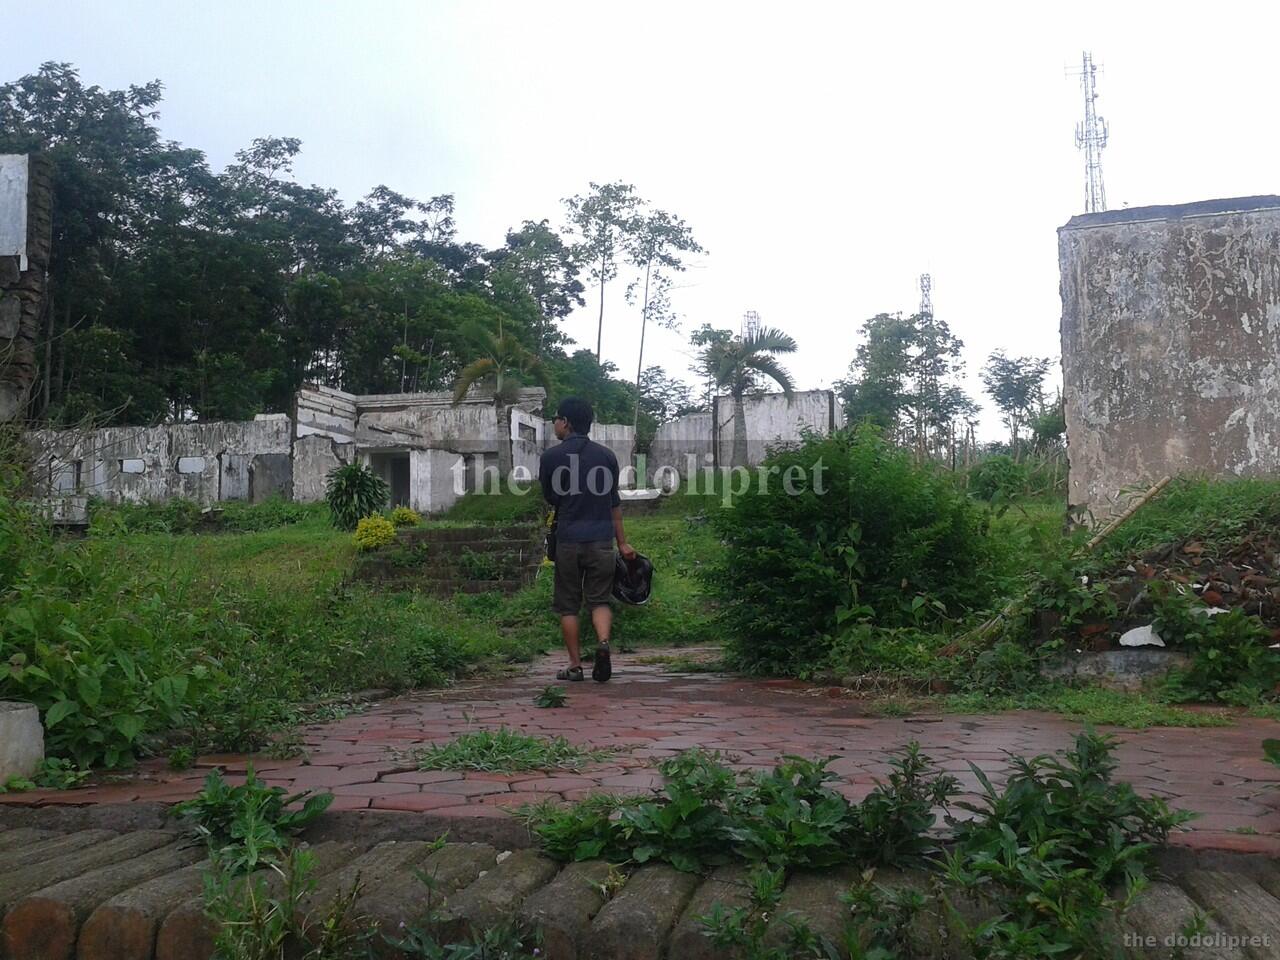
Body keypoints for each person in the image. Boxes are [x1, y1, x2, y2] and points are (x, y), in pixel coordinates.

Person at [539, 396, 636, 682]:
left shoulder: (551, 458)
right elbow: (613, 503)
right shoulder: (606, 456)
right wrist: (623, 543)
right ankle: (603, 644)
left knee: (568, 605)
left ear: (566, 423)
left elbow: (550, 497)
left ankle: (574, 665)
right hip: (602, 541)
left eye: (556, 418)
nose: (554, 423)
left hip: (568, 540)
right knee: (600, 600)